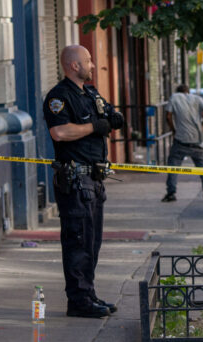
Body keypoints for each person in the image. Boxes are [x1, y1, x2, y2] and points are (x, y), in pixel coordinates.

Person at [43, 45, 124, 318]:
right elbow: (59, 132)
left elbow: (107, 114)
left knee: (92, 242)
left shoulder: (89, 93)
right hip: (76, 179)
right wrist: (94, 127)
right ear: (74, 66)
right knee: (78, 242)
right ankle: (78, 301)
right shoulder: (59, 97)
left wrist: (113, 117)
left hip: (94, 178)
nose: (92, 64)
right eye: (88, 61)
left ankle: (88, 294)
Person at [161, 84, 203, 202]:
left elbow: (168, 116)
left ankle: (171, 193)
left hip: (181, 139)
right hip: (197, 140)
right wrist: (202, 125)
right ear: (188, 91)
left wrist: (173, 130)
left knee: (173, 166)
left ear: (178, 91)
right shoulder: (197, 98)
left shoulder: (174, 97)